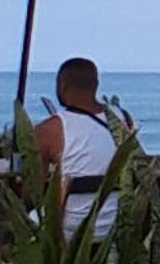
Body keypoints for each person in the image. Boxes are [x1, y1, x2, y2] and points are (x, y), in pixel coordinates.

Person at [35, 57, 131, 238]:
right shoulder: (122, 118)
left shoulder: (50, 128)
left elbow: (33, 190)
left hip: (69, 232)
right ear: (96, 85)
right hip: (117, 228)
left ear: (62, 85)